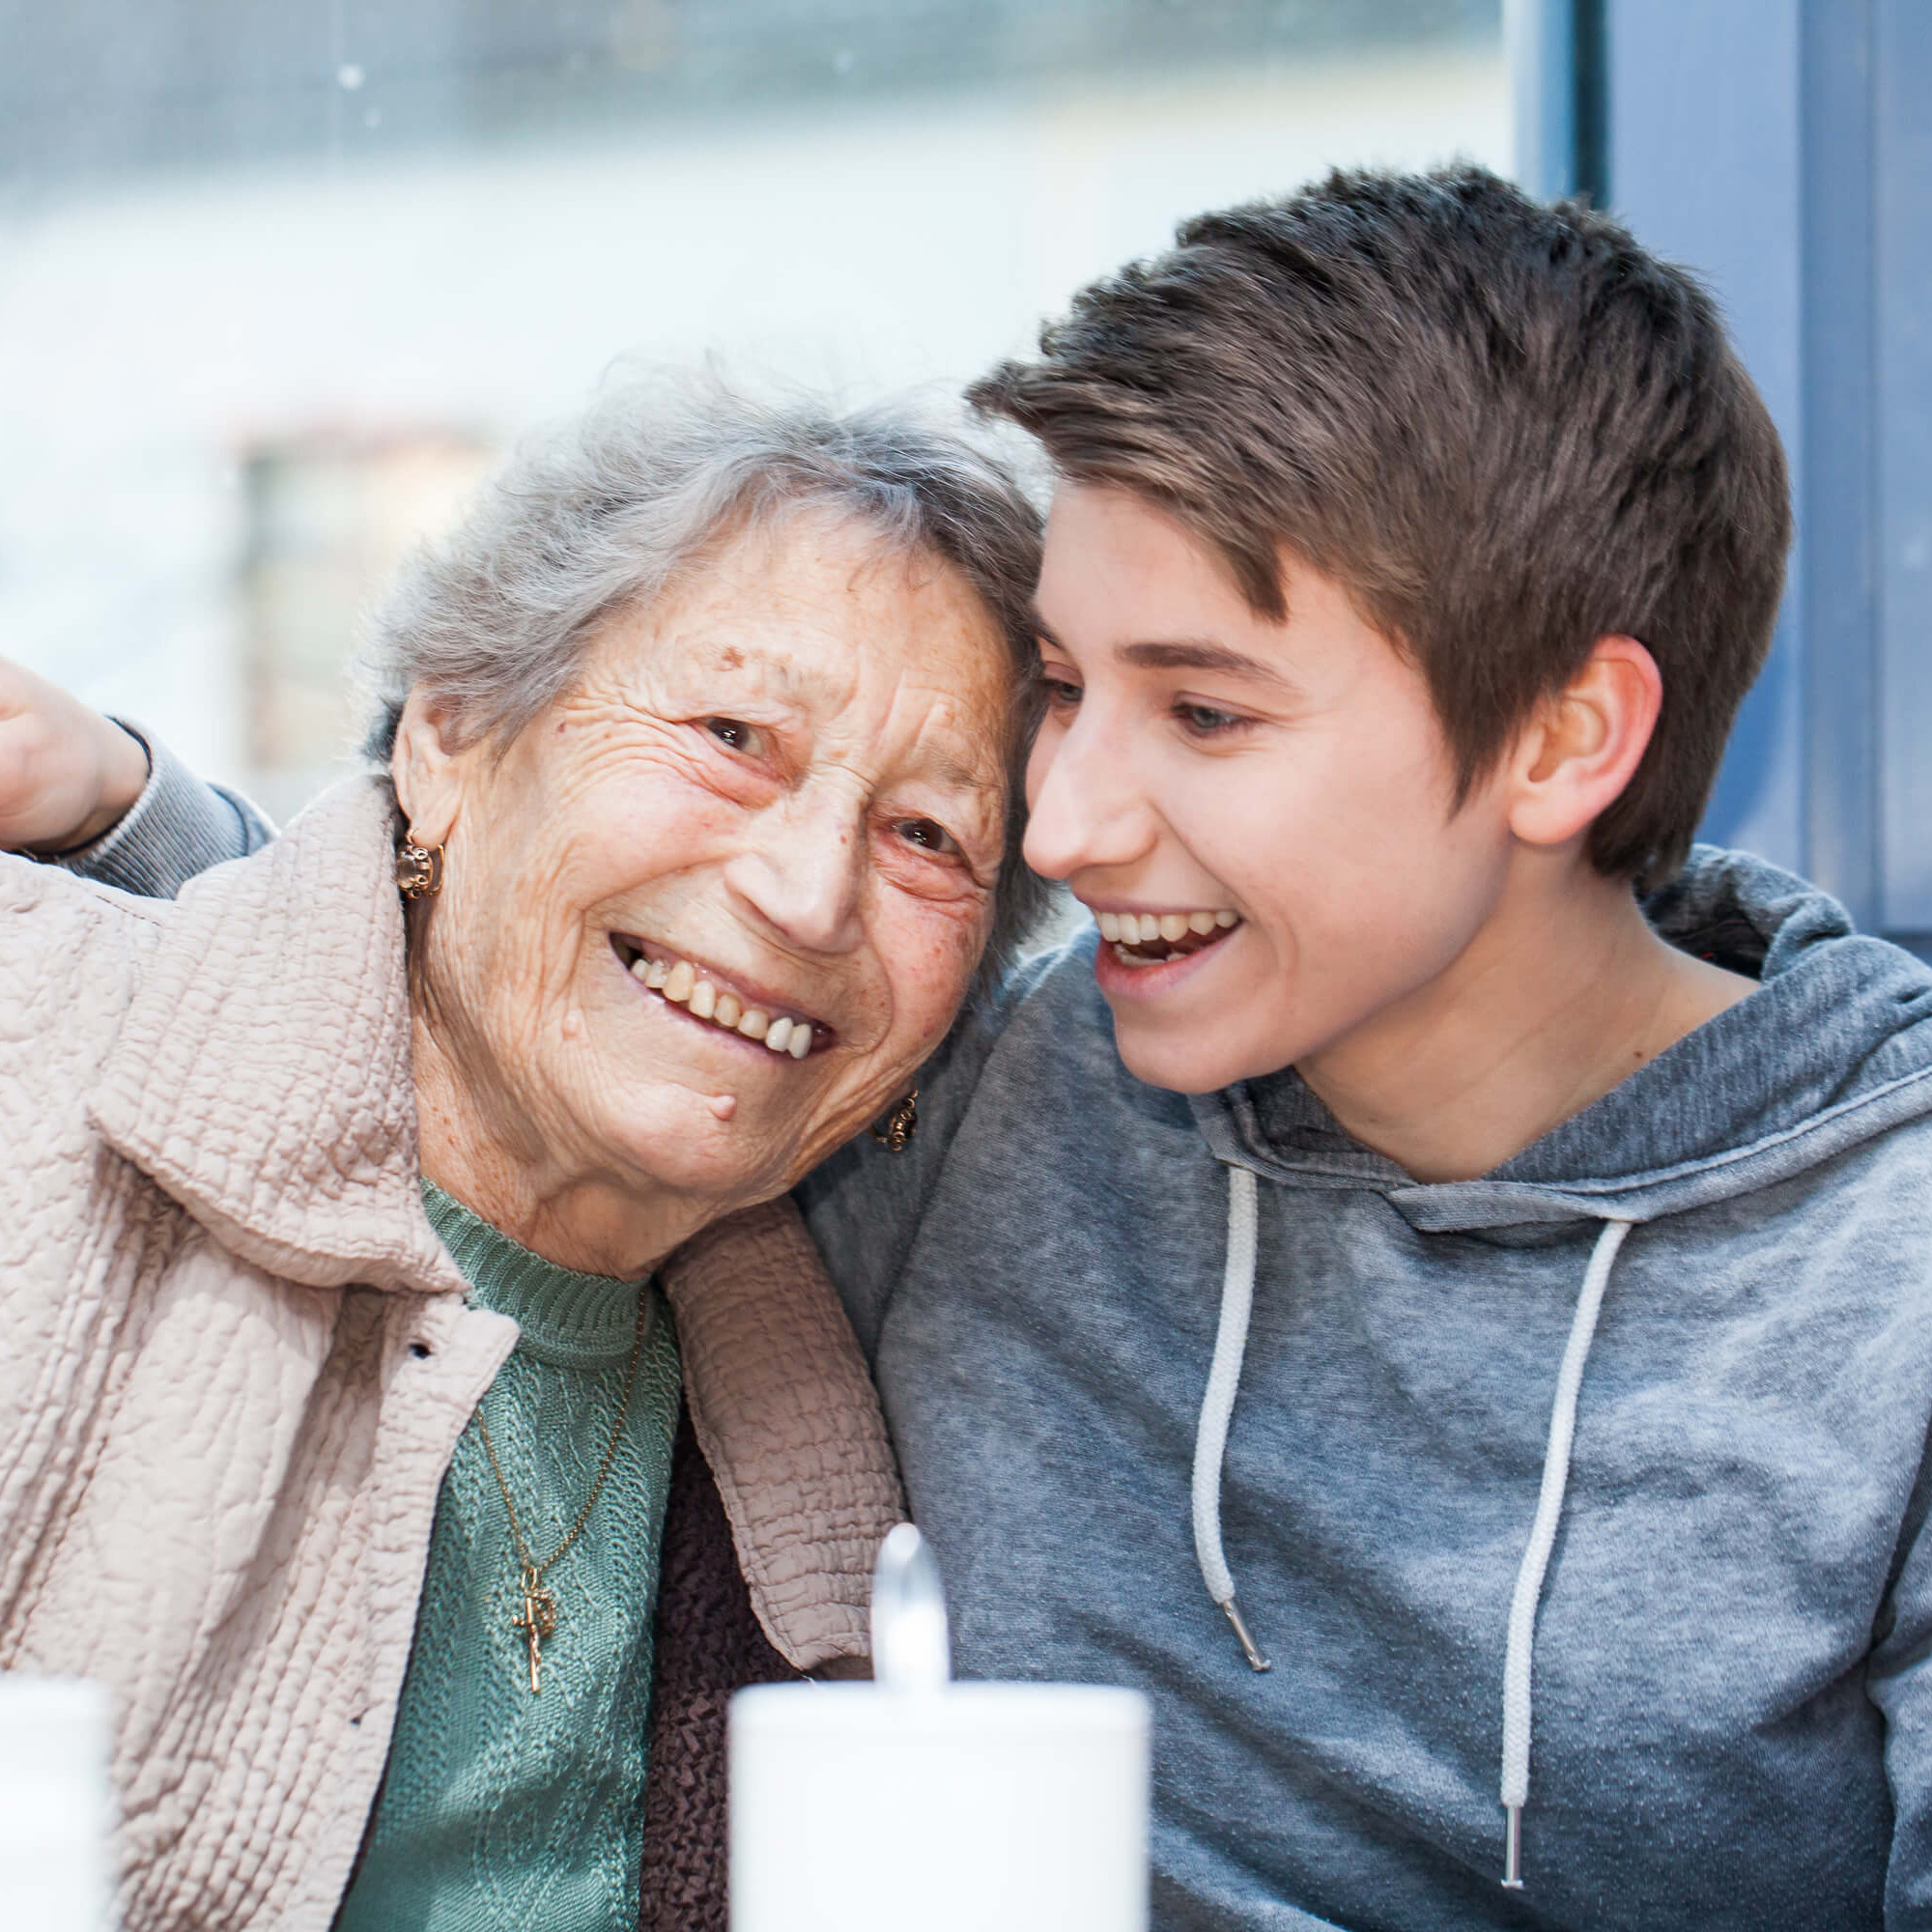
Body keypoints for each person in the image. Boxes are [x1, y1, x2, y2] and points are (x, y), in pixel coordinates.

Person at [21, 167, 1932, 1931]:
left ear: (1558, 740)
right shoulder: (1008, 1089)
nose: (1073, 827)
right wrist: (124, 819)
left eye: (1202, 713)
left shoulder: (1885, 1276)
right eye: (1073, 700)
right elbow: (502, 1014)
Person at [0, 381, 1047, 1932]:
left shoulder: (838, 1370)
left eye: (928, 839)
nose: (812, 892)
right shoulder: (35, 1077)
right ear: (453, 730)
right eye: (731, 736)